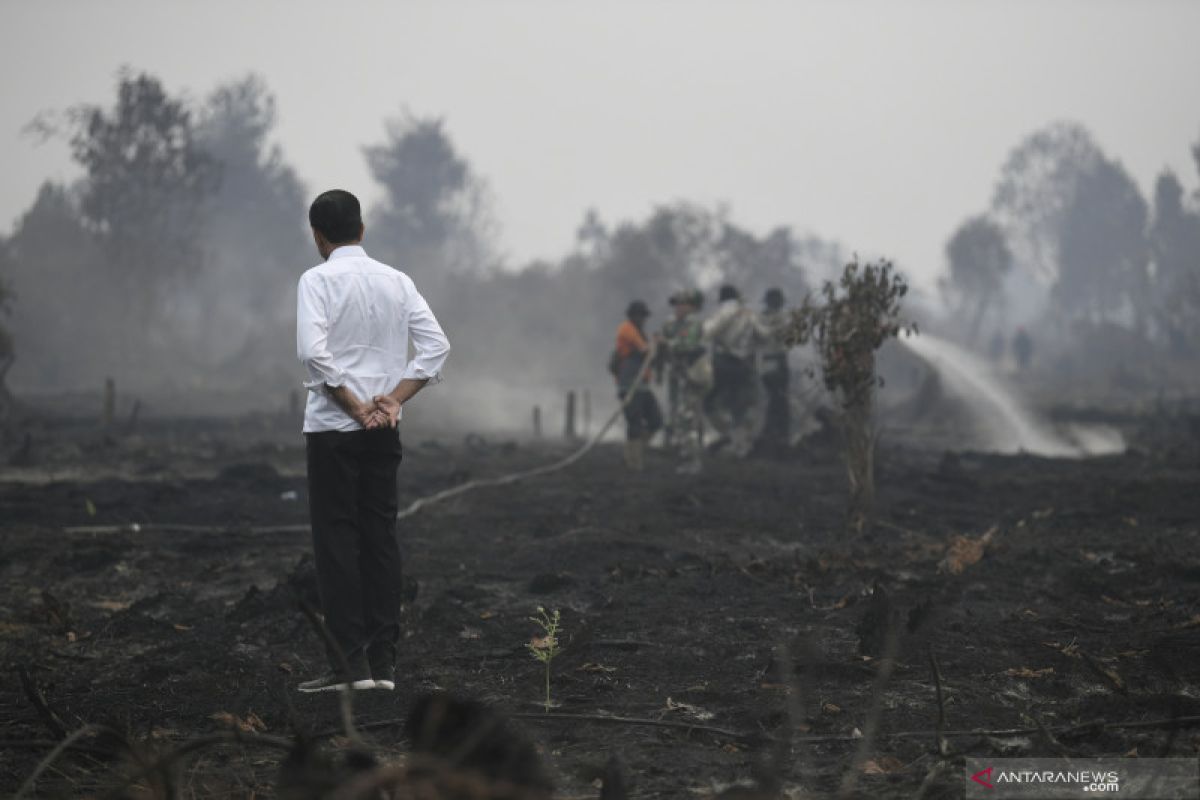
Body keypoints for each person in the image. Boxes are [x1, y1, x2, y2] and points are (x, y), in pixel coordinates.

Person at [295, 189, 450, 693]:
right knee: (380, 538)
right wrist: (393, 400)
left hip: (333, 432)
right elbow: (435, 348)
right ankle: (383, 665)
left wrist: (354, 405)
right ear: (361, 230)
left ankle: (349, 666)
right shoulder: (397, 281)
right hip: (384, 431)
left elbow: (314, 355)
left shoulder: (316, 281)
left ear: (318, 237)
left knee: (337, 542)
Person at [702, 285, 759, 457]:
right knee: (738, 405)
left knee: (709, 401)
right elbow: (761, 336)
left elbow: (708, 331)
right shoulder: (749, 314)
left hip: (724, 362)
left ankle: (728, 435)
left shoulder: (726, 310)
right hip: (744, 365)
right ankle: (740, 444)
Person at [658, 290, 708, 474]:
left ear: (692, 306)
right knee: (675, 413)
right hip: (675, 375)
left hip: (691, 375)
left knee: (689, 417)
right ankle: (678, 452)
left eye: (683, 304)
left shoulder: (694, 323)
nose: (678, 307)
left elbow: (688, 344)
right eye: (676, 304)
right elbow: (663, 346)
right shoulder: (670, 323)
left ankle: (692, 460)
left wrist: (667, 343)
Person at [612, 300, 662, 470]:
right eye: (640, 316)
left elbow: (649, 354)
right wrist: (655, 344)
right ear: (632, 316)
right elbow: (643, 350)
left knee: (656, 420)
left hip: (642, 384)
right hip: (629, 384)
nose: (643, 319)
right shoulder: (626, 329)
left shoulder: (640, 332)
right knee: (634, 423)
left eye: (644, 316)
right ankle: (634, 462)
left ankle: (633, 452)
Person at [755, 287, 790, 453]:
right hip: (775, 359)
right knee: (778, 397)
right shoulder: (779, 318)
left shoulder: (762, 318)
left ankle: (774, 431)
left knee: (776, 398)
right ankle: (775, 431)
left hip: (769, 360)